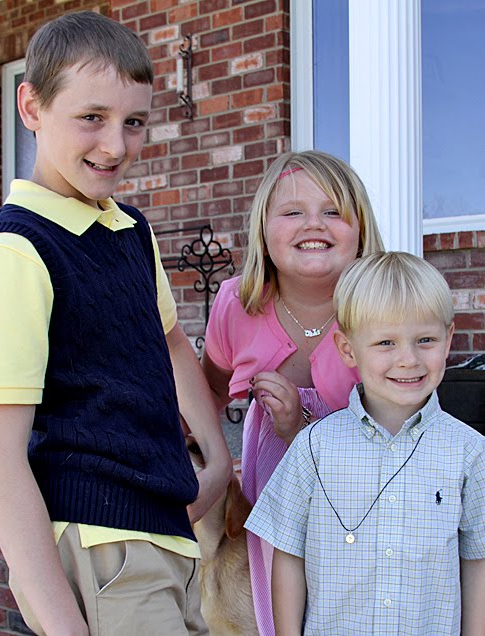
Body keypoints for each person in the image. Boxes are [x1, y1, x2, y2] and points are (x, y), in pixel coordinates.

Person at [0, 11, 232, 636]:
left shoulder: (130, 230)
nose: (116, 146)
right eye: (92, 117)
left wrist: (217, 459)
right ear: (31, 107)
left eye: (134, 122)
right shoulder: (17, 251)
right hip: (101, 546)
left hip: (168, 537)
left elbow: (170, 341)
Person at [246, 251, 485, 636]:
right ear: (347, 349)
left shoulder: (470, 452)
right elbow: (288, 553)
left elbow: (477, 561)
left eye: (425, 340)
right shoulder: (314, 447)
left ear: (448, 340)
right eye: (386, 342)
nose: (408, 359)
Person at [202, 150, 385, 634]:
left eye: (333, 211)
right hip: (273, 505)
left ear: (361, 229)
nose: (314, 224)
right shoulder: (237, 305)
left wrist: (301, 427)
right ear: (263, 230)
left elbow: (404, 432)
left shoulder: (382, 310)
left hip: (365, 504)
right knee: (278, 613)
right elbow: (207, 394)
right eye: (292, 212)